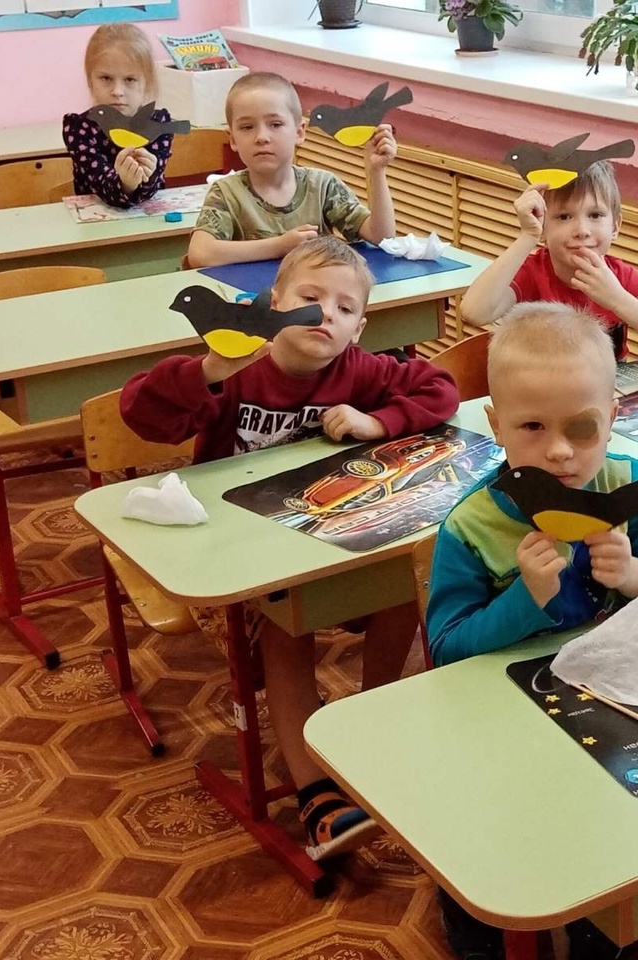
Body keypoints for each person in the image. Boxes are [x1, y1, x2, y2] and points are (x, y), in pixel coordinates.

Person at [121, 236, 458, 861]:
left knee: (402, 586)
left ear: (360, 328)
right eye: (309, 297)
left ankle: (372, 719)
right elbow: (142, 415)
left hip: (327, 539)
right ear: (272, 302)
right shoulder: (237, 369)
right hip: (239, 556)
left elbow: (440, 388)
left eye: (345, 308)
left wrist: (376, 422)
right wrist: (208, 370)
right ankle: (315, 792)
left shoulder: (359, 370)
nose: (325, 315)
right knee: (286, 627)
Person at [425, 302, 638, 959]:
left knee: (607, 808)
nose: (561, 451)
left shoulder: (627, 484)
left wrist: (635, 575)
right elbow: (445, 648)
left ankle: (602, 912)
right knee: (489, 827)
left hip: (606, 700)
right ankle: (475, 916)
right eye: (533, 427)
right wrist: (526, 599)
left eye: (581, 427)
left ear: (613, 417)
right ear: (496, 425)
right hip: (501, 721)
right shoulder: (472, 525)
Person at [458, 162, 638, 360]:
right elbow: (474, 312)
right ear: (543, 227)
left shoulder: (621, 277)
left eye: (595, 215)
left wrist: (617, 299)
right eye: (564, 217)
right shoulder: (532, 273)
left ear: (615, 226)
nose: (582, 230)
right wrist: (528, 236)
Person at [188, 72, 397, 267]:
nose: (262, 137)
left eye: (275, 124)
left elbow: (382, 237)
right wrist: (280, 246)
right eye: (247, 127)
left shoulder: (323, 186)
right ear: (233, 139)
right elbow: (199, 254)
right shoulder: (226, 193)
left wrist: (376, 171)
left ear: (299, 132)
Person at [63, 23, 174, 208]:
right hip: (97, 222)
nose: (117, 91)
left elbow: (152, 190)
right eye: (106, 78)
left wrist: (150, 174)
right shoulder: (80, 129)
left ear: (146, 83)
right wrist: (126, 183)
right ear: (90, 81)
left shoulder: (158, 124)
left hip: (149, 220)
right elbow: (103, 186)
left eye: (130, 79)